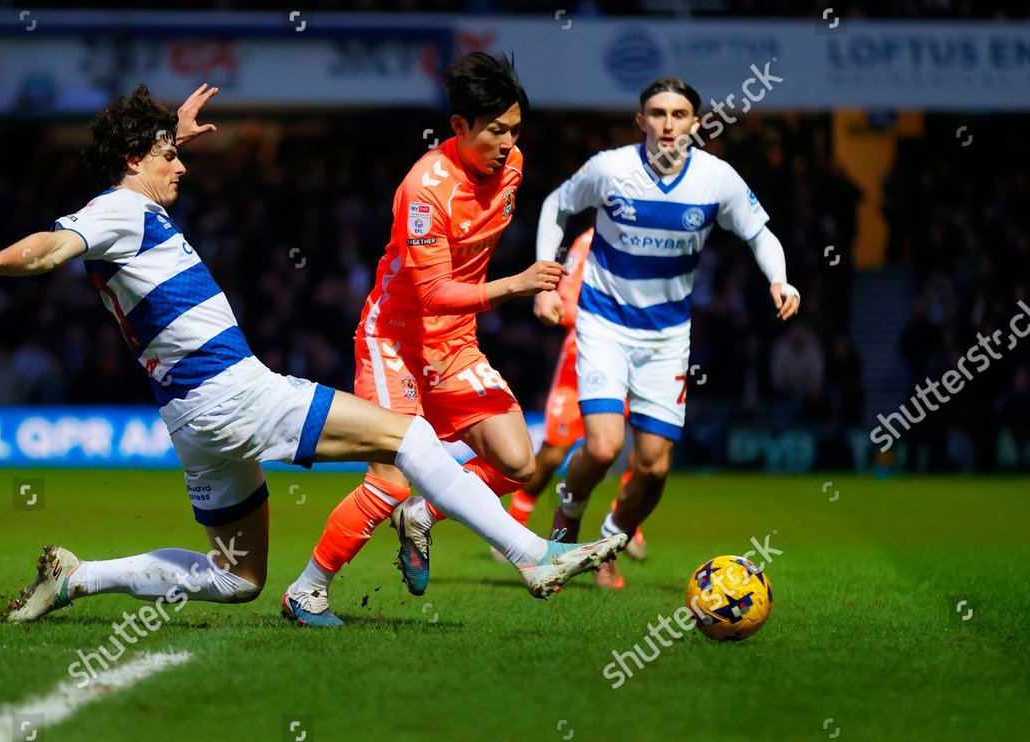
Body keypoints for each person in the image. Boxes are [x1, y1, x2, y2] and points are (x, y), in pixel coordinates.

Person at [0, 83, 626, 627]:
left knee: (236, 578)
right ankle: (533, 556)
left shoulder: (133, 208)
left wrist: (175, 133)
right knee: (405, 435)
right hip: (231, 392)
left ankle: (75, 579)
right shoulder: (116, 210)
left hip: (193, 418)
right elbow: (49, 248)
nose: (182, 168)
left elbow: (117, 200)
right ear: (135, 162)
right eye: (170, 156)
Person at [283, 52, 570, 625]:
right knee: (388, 475)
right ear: (458, 127)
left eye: (515, 130)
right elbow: (435, 292)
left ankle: (424, 512)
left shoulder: (513, 166)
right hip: (396, 341)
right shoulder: (424, 189)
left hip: (456, 342)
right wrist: (517, 285)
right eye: (494, 131)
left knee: (519, 462)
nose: (508, 143)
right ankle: (307, 590)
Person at [534, 76, 800, 586]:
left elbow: (759, 233)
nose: (668, 124)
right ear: (641, 122)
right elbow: (557, 206)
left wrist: (780, 281)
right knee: (606, 446)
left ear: (696, 124)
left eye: (679, 115)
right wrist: (547, 281)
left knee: (654, 467)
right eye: (657, 113)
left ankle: (610, 539)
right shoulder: (610, 168)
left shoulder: (716, 179)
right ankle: (568, 517)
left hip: (667, 337)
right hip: (604, 323)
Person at [499, 228, 647, 590]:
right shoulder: (589, 242)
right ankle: (516, 518)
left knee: (643, 446)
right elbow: (564, 305)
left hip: (639, 360)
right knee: (555, 452)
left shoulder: (660, 235)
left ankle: (624, 524)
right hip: (583, 360)